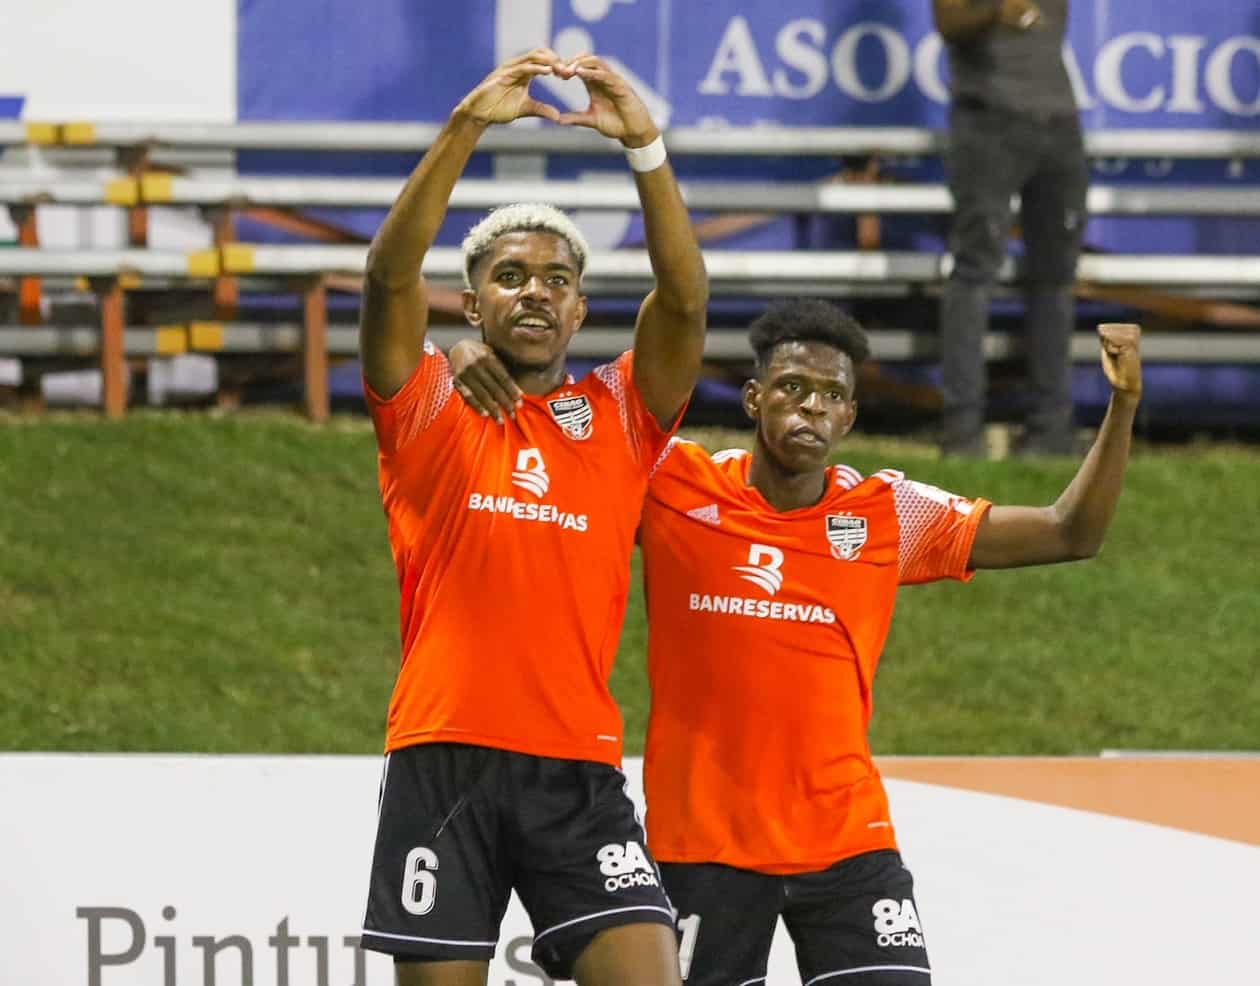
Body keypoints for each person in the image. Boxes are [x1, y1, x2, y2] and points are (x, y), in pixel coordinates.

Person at [450, 298, 1142, 985]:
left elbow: (1069, 532)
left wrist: (1124, 406)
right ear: (754, 398)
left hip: (847, 845)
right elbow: (560, 459)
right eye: (792, 388)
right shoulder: (674, 484)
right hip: (702, 848)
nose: (810, 407)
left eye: (832, 395)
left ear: (849, 417)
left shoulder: (886, 512)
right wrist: (463, 357)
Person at [357, 47, 707, 986]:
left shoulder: (624, 418)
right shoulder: (428, 403)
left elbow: (683, 300)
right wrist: (469, 122)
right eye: (510, 276)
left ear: (581, 308)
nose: (535, 292)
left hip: (577, 770)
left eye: (555, 280)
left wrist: (646, 149)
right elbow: (389, 281)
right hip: (445, 759)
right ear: (472, 302)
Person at [934, 0, 1088, 456]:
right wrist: (995, 11)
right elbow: (947, 21)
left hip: (1060, 123)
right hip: (988, 120)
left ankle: (1051, 430)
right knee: (974, 273)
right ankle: (963, 433)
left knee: (1057, 278)